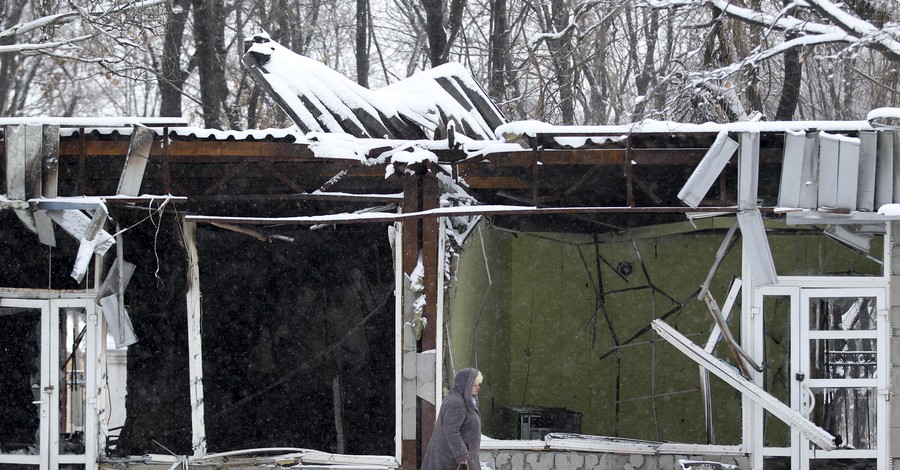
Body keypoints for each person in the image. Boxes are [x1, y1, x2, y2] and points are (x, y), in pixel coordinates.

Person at [421, 368, 483, 470]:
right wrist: (462, 456)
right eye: (475, 385)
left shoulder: (461, 398)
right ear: (466, 385)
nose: (478, 387)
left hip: (455, 458)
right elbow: (451, 431)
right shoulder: (457, 402)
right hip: (453, 461)